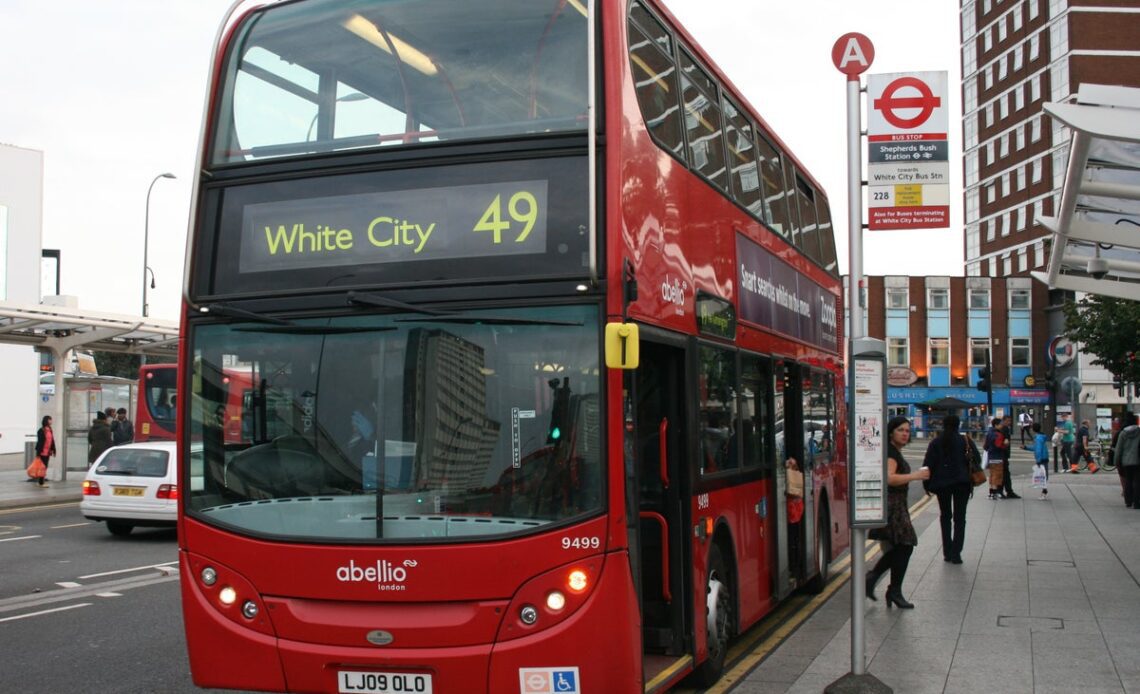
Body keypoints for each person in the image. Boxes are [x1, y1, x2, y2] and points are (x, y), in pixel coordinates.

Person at [866, 416, 930, 609]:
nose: (904, 434)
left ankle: (891, 589)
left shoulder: (894, 451)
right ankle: (879, 581)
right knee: (905, 546)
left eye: (907, 431)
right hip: (892, 507)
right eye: (900, 430)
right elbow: (889, 478)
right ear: (891, 432)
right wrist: (916, 476)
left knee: (900, 548)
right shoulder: (891, 454)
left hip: (897, 506)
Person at [924, 414, 975, 564]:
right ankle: (956, 553)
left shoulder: (936, 442)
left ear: (943, 425)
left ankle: (947, 551)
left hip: (942, 484)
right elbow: (976, 459)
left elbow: (928, 464)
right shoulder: (964, 440)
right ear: (958, 425)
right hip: (962, 483)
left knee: (945, 516)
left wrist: (926, 485)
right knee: (960, 519)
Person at [1114, 413, 1140, 508]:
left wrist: (1116, 461)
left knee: (1128, 481)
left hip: (1126, 461)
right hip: (1138, 460)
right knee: (1137, 481)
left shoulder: (1123, 433)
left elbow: (1119, 449)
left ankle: (1128, 501)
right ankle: (1137, 502)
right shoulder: (1139, 432)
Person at [785, 457, 804, 575]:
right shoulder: (797, 476)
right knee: (795, 539)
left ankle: (795, 566)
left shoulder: (790, 478)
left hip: (793, 513)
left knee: (793, 540)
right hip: (796, 513)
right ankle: (796, 566)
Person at [983, 417, 1006, 500]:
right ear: (996, 425)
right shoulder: (998, 434)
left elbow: (985, 446)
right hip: (998, 457)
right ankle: (995, 494)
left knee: (992, 475)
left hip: (991, 457)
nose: (1002, 426)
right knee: (997, 475)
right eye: (1000, 424)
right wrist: (1005, 444)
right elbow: (999, 446)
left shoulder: (989, 433)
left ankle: (991, 493)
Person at [999, 415, 1020, 499]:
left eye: (1010, 421)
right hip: (1003, 454)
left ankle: (1006, 491)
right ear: (1003, 421)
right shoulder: (1004, 429)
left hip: (1002, 454)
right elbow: (1005, 441)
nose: (1009, 423)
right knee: (1005, 474)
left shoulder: (1001, 428)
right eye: (1008, 421)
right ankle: (1005, 491)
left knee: (1005, 474)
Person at [34, 415, 56, 487]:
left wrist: (53, 449)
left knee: (45, 467)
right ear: (46, 421)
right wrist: (38, 453)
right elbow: (40, 442)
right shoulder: (41, 431)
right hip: (42, 452)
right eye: (50, 419)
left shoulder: (50, 430)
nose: (51, 421)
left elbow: (52, 441)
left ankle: (41, 481)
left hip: (47, 452)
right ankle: (41, 482)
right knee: (42, 467)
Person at [1031, 422, 1050, 500]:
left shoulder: (1038, 438)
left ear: (1033, 429)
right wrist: (1025, 447)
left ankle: (1044, 492)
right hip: (1045, 457)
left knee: (1043, 476)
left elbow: (1038, 449)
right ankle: (1044, 491)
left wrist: (1038, 460)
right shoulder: (1041, 437)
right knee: (1044, 475)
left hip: (1041, 458)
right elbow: (1035, 447)